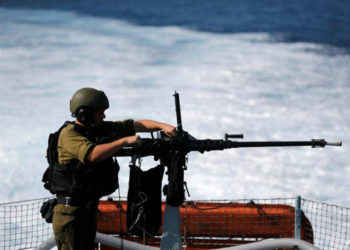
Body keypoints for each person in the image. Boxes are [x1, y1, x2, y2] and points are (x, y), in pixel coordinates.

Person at [52, 87, 176, 250]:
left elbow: (134, 125)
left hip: (86, 209)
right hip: (70, 213)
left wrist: (162, 126)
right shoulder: (69, 134)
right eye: (100, 112)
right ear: (85, 113)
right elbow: (92, 154)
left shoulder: (96, 129)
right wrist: (123, 142)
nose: (104, 116)